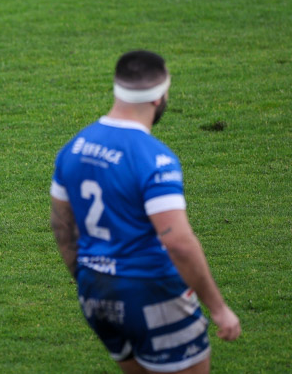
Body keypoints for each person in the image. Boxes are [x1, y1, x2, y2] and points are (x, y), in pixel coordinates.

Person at [49, 50, 241, 373]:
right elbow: (178, 242)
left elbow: (61, 226)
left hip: (96, 293)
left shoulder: (74, 148)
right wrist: (219, 309)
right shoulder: (155, 159)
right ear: (159, 97)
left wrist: (86, 277)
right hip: (151, 293)